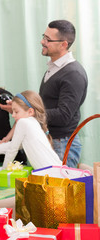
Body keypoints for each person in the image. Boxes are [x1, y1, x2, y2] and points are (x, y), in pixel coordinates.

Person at [0, 90, 63, 170]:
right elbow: (11, 146)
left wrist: (4, 170)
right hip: (56, 171)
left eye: (16, 111)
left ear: (30, 111)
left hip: (52, 176)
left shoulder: (23, 123)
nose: (13, 115)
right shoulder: (32, 123)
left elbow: (12, 149)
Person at [39, 20, 88, 168]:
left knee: (62, 190)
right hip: (53, 140)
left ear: (63, 44)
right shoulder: (54, 67)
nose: (42, 41)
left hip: (62, 144)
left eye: (48, 39)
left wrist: (33, 113)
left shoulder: (73, 73)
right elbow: (50, 103)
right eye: (43, 36)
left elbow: (64, 114)